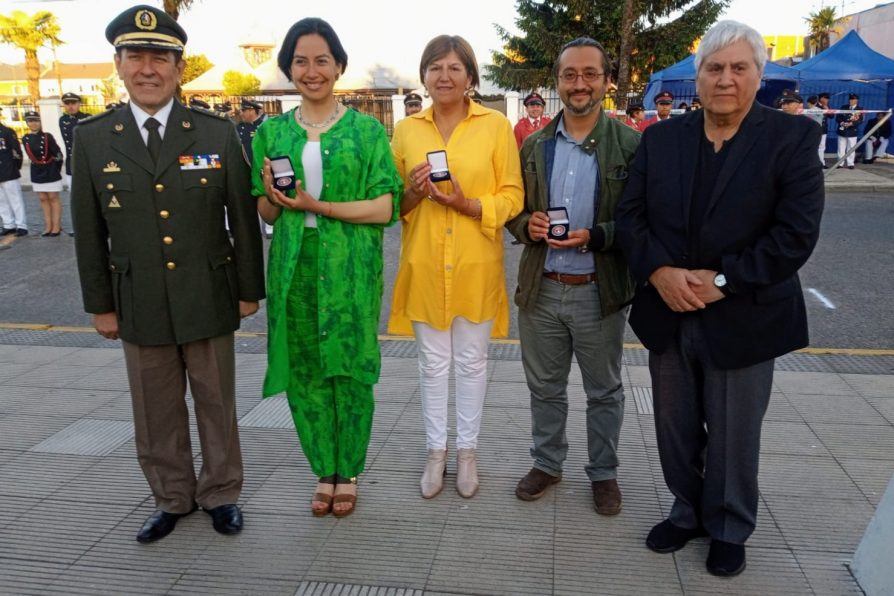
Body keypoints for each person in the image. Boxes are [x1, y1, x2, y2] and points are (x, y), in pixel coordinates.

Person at [616, 20, 824, 577]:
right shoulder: (662, 139)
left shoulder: (792, 139)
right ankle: (688, 511)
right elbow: (630, 218)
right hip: (670, 309)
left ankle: (730, 524)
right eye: (714, 68)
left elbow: (794, 236)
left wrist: (723, 281)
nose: (725, 79)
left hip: (745, 316)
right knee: (674, 425)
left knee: (734, 432)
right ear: (697, 77)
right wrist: (660, 272)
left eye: (738, 68)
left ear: (759, 76)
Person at [71, 4, 265, 544]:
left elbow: (241, 218)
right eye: (137, 57)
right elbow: (88, 230)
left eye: (161, 57)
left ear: (179, 68)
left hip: (208, 293)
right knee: (155, 410)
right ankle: (171, 497)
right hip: (138, 300)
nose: (148, 68)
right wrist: (100, 305)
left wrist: (250, 291)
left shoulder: (214, 132)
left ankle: (221, 492)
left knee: (217, 403)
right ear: (119, 64)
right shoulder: (92, 138)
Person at [251, 17, 402, 518]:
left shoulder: (366, 131)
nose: (311, 71)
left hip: (350, 268)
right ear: (288, 69)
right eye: (300, 61)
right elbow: (267, 211)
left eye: (321, 60)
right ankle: (324, 470)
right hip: (293, 268)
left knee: (350, 370)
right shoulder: (270, 132)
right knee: (307, 372)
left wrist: (321, 208)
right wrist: (272, 197)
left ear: (338, 66)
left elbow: (385, 207)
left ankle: (350, 470)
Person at [506, 37, 639, 515]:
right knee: (545, 388)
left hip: (597, 291)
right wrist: (528, 225)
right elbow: (512, 210)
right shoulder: (535, 145)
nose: (579, 83)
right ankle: (547, 462)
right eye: (569, 75)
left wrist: (596, 235)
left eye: (589, 74)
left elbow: (642, 222)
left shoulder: (629, 143)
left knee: (604, 391)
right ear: (557, 81)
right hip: (541, 290)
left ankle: (603, 473)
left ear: (606, 81)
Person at [389, 34, 524, 499]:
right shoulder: (407, 131)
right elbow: (393, 206)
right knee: (431, 363)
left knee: (471, 362)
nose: (443, 76)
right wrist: (413, 189)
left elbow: (513, 195)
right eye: (434, 67)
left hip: (474, 264)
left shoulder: (495, 127)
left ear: (470, 76)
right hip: (425, 262)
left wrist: (468, 204)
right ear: (424, 75)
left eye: (453, 68)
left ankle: (467, 452)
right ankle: (436, 451)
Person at [22, 111, 64, 236]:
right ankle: (48, 226)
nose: (33, 123)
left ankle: (56, 226)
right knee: (43, 199)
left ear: (40, 122)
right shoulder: (26, 138)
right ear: (27, 123)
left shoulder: (47, 136)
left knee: (53, 198)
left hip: (50, 169)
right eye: (30, 121)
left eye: (36, 120)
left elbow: (58, 154)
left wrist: (54, 169)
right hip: (36, 170)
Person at [0, 109, 28, 241]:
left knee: (15, 199)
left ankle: (21, 225)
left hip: (8, 170)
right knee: (1, 201)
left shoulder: (7, 132)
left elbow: (17, 152)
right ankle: (8, 224)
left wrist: (15, 167)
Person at [59, 93, 89, 191]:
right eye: (67, 103)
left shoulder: (88, 118)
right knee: (73, 194)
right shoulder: (63, 120)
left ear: (79, 104)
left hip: (86, 162)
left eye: (73, 103)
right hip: (71, 162)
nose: (70, 106)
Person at [836, 93, 863, 169]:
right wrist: (842, 122)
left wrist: (852, 123)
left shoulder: (860, 109)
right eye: (850, 99)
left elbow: (860, 120)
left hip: (852, 131)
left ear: (856, 100)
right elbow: (838, 117)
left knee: (851, 147)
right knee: (841, 147)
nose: (850, 101)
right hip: (842, 130)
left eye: (853, 99)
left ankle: (850, 163)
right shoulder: (843, 107)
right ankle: (840, 163)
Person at [817, 92, 832, 167]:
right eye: (826, 98)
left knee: (822, 146)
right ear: (821, 98)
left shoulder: (826, 106)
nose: (827, 100)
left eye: (828, 99)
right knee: (814, 146)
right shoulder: (815, 105)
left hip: (824, 129)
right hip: (815, 129)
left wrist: (827, 109)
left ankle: (822, 163)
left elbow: (832, 116)